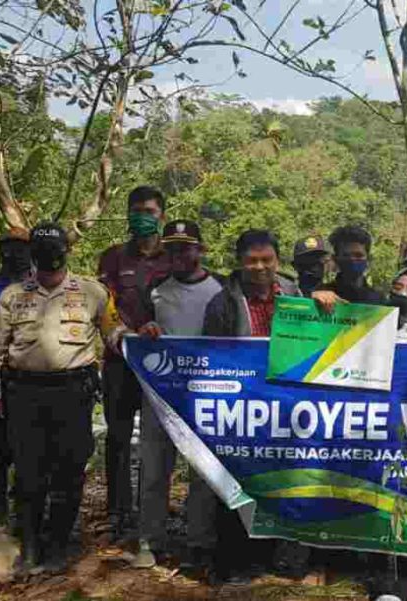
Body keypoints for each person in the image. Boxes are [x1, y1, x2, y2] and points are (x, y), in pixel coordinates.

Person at [0, 223, 121, 575]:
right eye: (42, 250)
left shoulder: (93, 292)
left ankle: (60, 544)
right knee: (29, 473)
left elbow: (114, 333)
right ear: (32, 254)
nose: (50, 257)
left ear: (67, 251)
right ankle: (31, 546)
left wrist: (142, 340)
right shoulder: (12, 295)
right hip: (24, 393)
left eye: (56, 249)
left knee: (69, 472)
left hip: (73, 393)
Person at [202, 229, 300, 583]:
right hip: (239, 406)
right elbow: (211, 357)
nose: (259, 267)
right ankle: (231, 561)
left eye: (266, 260)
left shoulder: (295, 295)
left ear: (277, 261)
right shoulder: (222, 302)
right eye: (251, 261)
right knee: (235, 482)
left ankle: (276, 556)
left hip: (286, 405)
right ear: (240, 263)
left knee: (283, 481)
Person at [132, 221, 226, 575]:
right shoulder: (154, 289)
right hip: (160, 394)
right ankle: (149, 540)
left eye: (186, 248)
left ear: (201, 250)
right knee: (154, 469)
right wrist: (146, 330)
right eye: (172, 248)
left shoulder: (222, 289)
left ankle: (199, 542)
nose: (179, 255)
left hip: (206, 395)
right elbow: (139, 327)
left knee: (202, 472)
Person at [97, 185, 171, 542]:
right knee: (119, 436)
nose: (143, 216)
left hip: (164, 365)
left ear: (163, 217)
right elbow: (104, 308)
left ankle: (154, 511)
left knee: (162, 439)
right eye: (136, 210)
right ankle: (118, 512)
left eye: (150, 211)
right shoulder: (111, 258)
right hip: (120, 361)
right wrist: (124, 334)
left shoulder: (174, 257)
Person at [0, 227, 30, 527]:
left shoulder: (39, 285)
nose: (12, 253)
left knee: (28, 451)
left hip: (29, 378)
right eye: (7, 246)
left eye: (19, 247)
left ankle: (24, 518)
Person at [311, 226, 385, 310]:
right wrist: (312, 297)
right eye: (346, 255)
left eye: (358, 255)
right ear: (335, 259)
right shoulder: (321, 292)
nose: (352, 259)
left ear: (368, 259)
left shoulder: (379, 300)